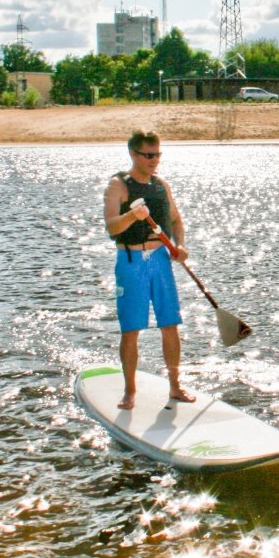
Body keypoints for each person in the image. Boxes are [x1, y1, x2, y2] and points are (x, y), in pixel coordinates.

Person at [103, 129, 194, 410]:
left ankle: (176, 386)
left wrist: (180, 246)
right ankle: (130, 391)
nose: (155, 160)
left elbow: (176, 221)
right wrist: (132, 214)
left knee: (170, 325)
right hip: (131, 263)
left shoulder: (160, 185)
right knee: (131, 329)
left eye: (158, 154)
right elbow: (111, 227)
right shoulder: (118, 186)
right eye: (149, 155)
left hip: (160, 261)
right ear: (134, 154)